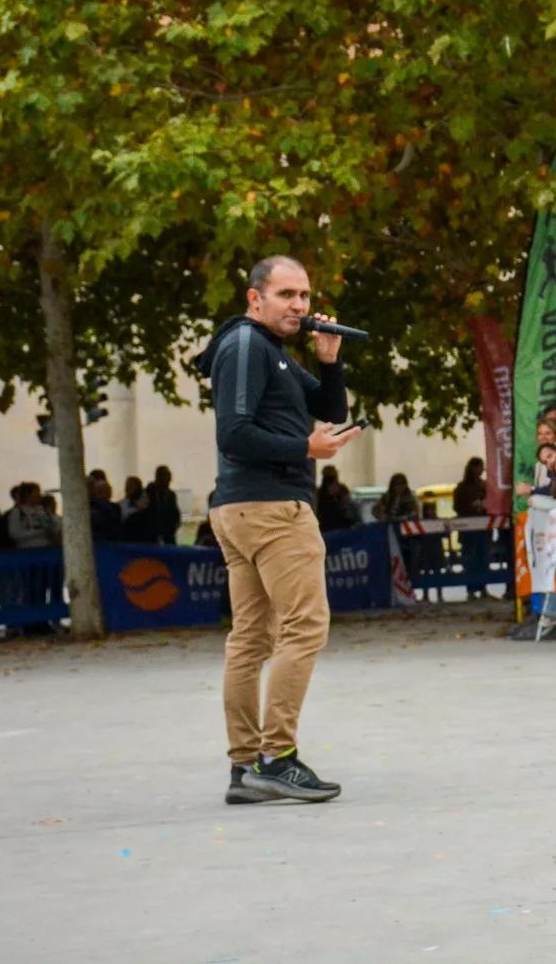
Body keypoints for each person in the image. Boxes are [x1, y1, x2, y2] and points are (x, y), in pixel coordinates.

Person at [194, 255, 361, 804]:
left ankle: (246, 769)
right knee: (304, 628)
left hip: (244, 508)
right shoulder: (246, 345)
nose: (299, 306)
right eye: (286, 294)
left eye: (305, 296)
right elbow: (234, 432)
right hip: (270, 507)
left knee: (251, 639)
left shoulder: (272, 353)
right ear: (254, 298)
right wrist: (303, 449)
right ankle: (277, 757)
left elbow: (328, 409)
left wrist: (330, 361)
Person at [5, 481, 60, 549]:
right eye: (36, 492)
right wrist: (39, 532)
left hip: (47, 548)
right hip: (28, 550)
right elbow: (14, 534)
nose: (39, 495)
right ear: (27, 495)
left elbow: (55, 526)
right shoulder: (17, 512)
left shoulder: (43, 511)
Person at [142, 465, 183, 545]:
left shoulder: (170, 495)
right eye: (165, 477)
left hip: (168, 535)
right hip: (152, 535)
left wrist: (175, 523)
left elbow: (175, 512)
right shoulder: (149, 493)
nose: (169, 481)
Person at [314, 466, 355, 534]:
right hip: (328, 525)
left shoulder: (342, 490)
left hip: (339, 525)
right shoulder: (320, 493)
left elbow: (347, 505)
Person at [86, 470, 122, 542]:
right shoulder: (79, 509)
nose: (92, 490)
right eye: (89, 487)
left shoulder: (111, 507)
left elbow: (112, 525)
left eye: (92, 486)